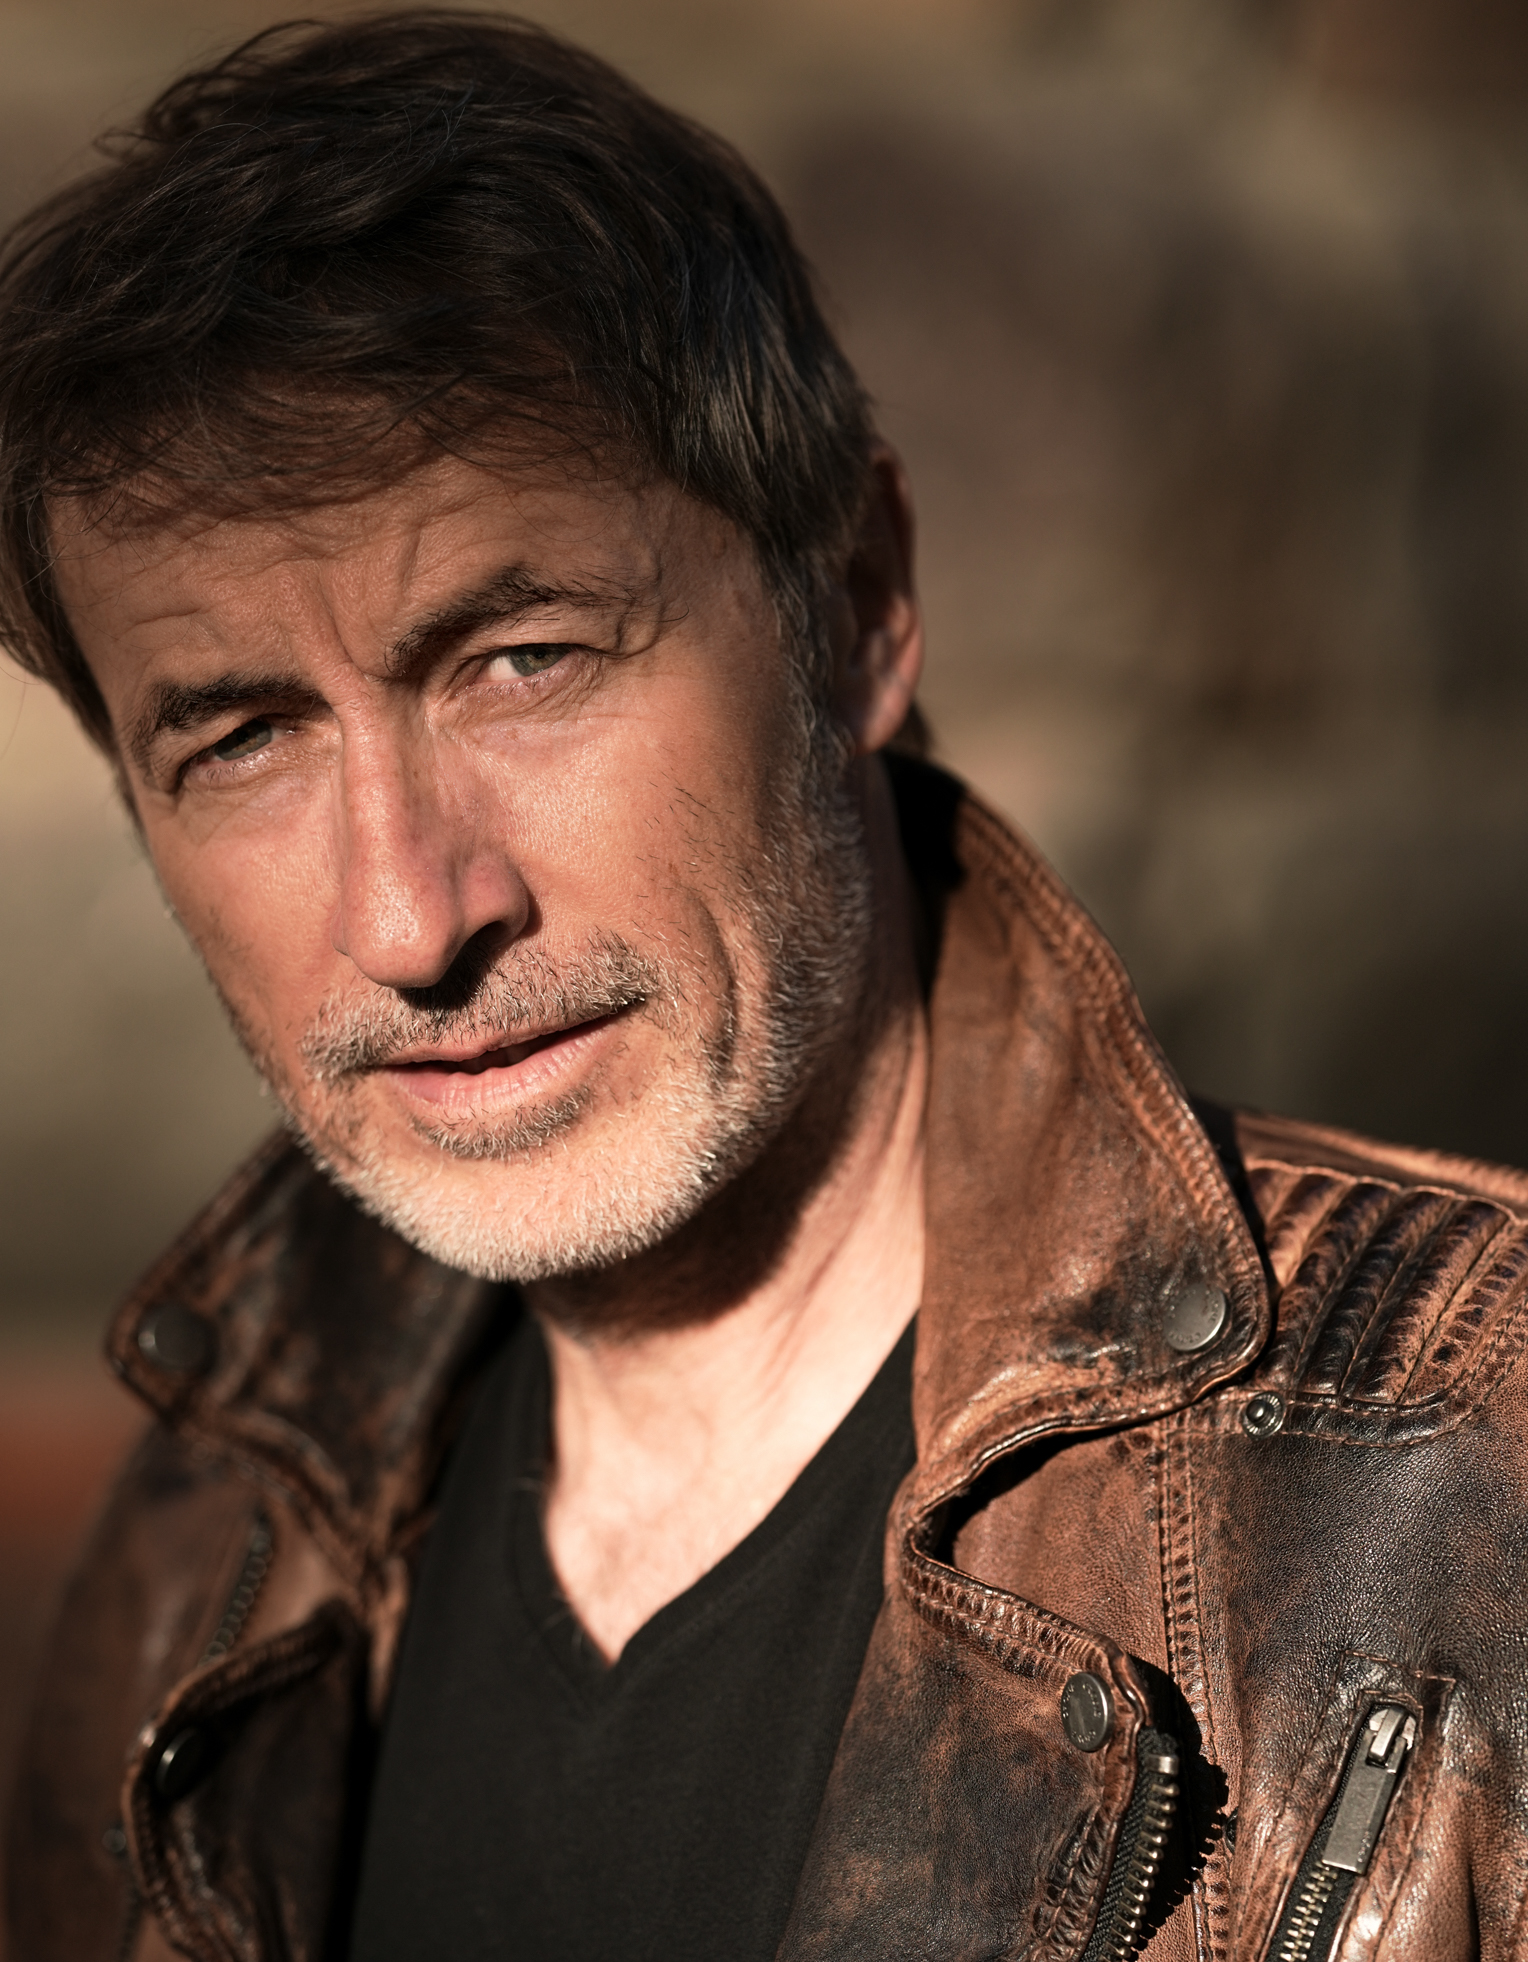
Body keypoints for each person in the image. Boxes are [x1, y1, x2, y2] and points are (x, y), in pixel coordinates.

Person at [3, 11, 1527, 1961]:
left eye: (523, 660)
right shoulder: (205, 1550)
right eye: (241, 738)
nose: (408, 919)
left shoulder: (1473, 1470)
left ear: (856, 604)